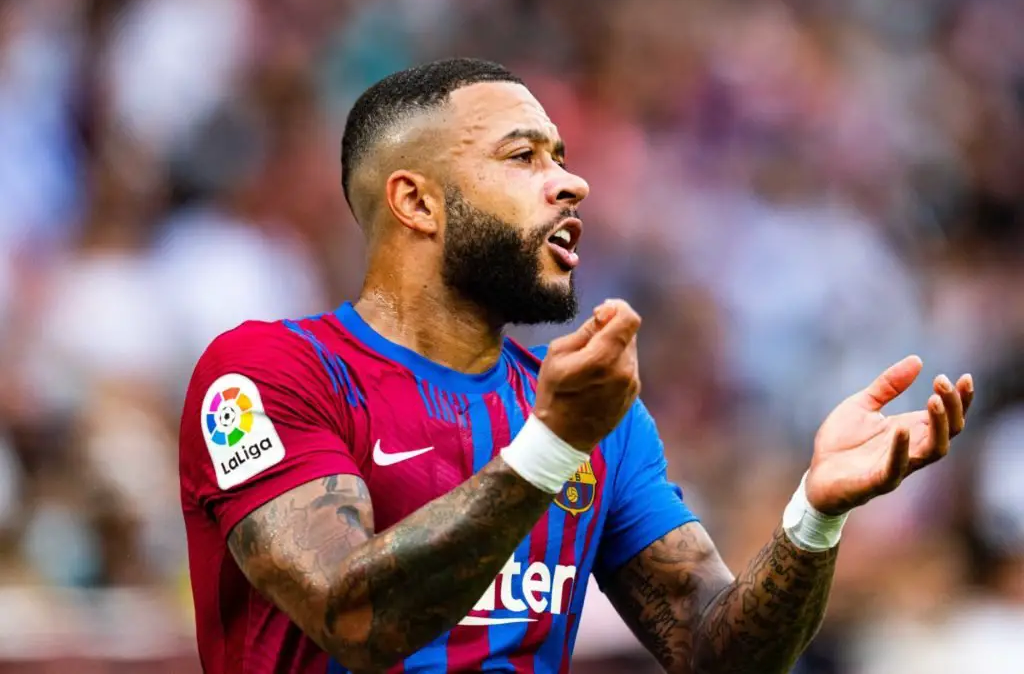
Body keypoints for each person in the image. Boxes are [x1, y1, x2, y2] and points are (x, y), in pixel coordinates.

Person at [178, 58, 974, 674]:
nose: (572, 182)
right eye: (523, 156)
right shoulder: (267, 373)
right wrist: (550, 445)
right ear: (416, 203)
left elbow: (715, 653)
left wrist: (814, 517)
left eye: (561, 155)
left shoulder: (595, 415)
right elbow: (352, 620)